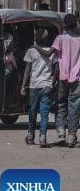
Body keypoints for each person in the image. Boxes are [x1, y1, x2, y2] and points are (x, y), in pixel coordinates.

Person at [20, 27, 58, 147]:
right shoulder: (52, 52)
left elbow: (27, 70)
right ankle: (43, 138)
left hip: (34, 85)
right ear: (46, 39)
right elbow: (57, 68)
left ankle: (30, 136)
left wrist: (23, 86)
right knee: (44, 113)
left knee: (32, 111)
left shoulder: (31, 51)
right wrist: (53, 81)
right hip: (47, 85)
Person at [51, 13, 80, 147]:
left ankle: (61, 130)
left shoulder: (60, 38)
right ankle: (71, 136)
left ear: (65, 25)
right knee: (74, 106)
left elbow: (56, 59)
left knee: (61, 103)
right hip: (77, 77)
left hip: (63, 76)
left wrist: (54, 77)